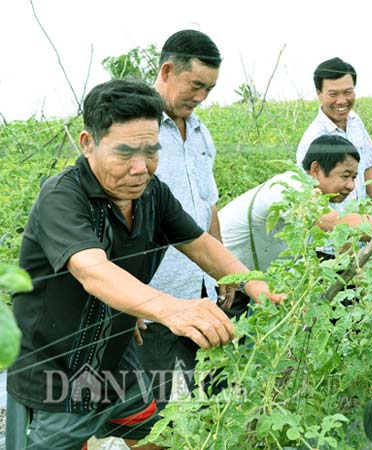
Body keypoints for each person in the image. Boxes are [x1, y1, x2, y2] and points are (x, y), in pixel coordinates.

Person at [6, 79, 282, 450]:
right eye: (124, 154)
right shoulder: (63, 197)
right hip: (59, 371)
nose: (141, 169)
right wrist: (171, 309)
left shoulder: (152, 193)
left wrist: (254, 284)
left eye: (151, 152)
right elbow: (92, 270)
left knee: (153, 433)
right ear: (88, 143)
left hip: (117, 357)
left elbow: (199, 243)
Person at [136, 30, 227, 422]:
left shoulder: (201, 132)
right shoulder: (137, 128)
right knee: (150, 411)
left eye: (208, 89)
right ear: (168, 71)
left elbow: (209, 206)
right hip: (155, 297)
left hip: (201, 291)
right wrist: (129, 300)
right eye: (196, 85)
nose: (201, 96)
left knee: (216, 395)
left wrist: (223, 272)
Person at [219, 134, 372, 278]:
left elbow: (344, 241)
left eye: (354, 178)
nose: (350, 186)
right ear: (315, 169)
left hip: (248, 276)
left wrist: (361, 286)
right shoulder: (290, 188)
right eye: (345, 176)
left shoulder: (322, 197)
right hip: (219, 276)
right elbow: (342, 225)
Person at [296, 57, 372, 211]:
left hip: (360, 223)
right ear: (319, 94)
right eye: (333, 94)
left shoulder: (355, 121)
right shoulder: (313, 139)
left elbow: (368, 167)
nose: (342, 101)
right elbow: (310, 196)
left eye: (348, 92)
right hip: (335, 229)